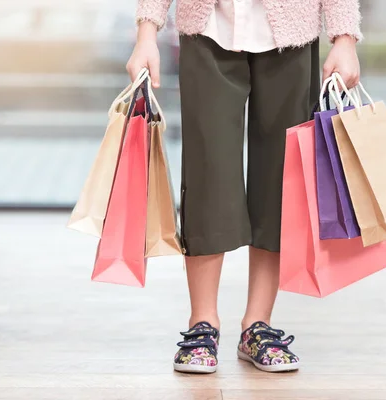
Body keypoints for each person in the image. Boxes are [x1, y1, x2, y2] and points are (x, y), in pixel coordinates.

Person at [126, 0, 362, 374]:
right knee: (208, 174)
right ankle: (202, 324)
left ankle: (258, 325)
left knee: (281, 181)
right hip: (206, 29)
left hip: (293, 33)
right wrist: (146, 33)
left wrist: (345, 38)